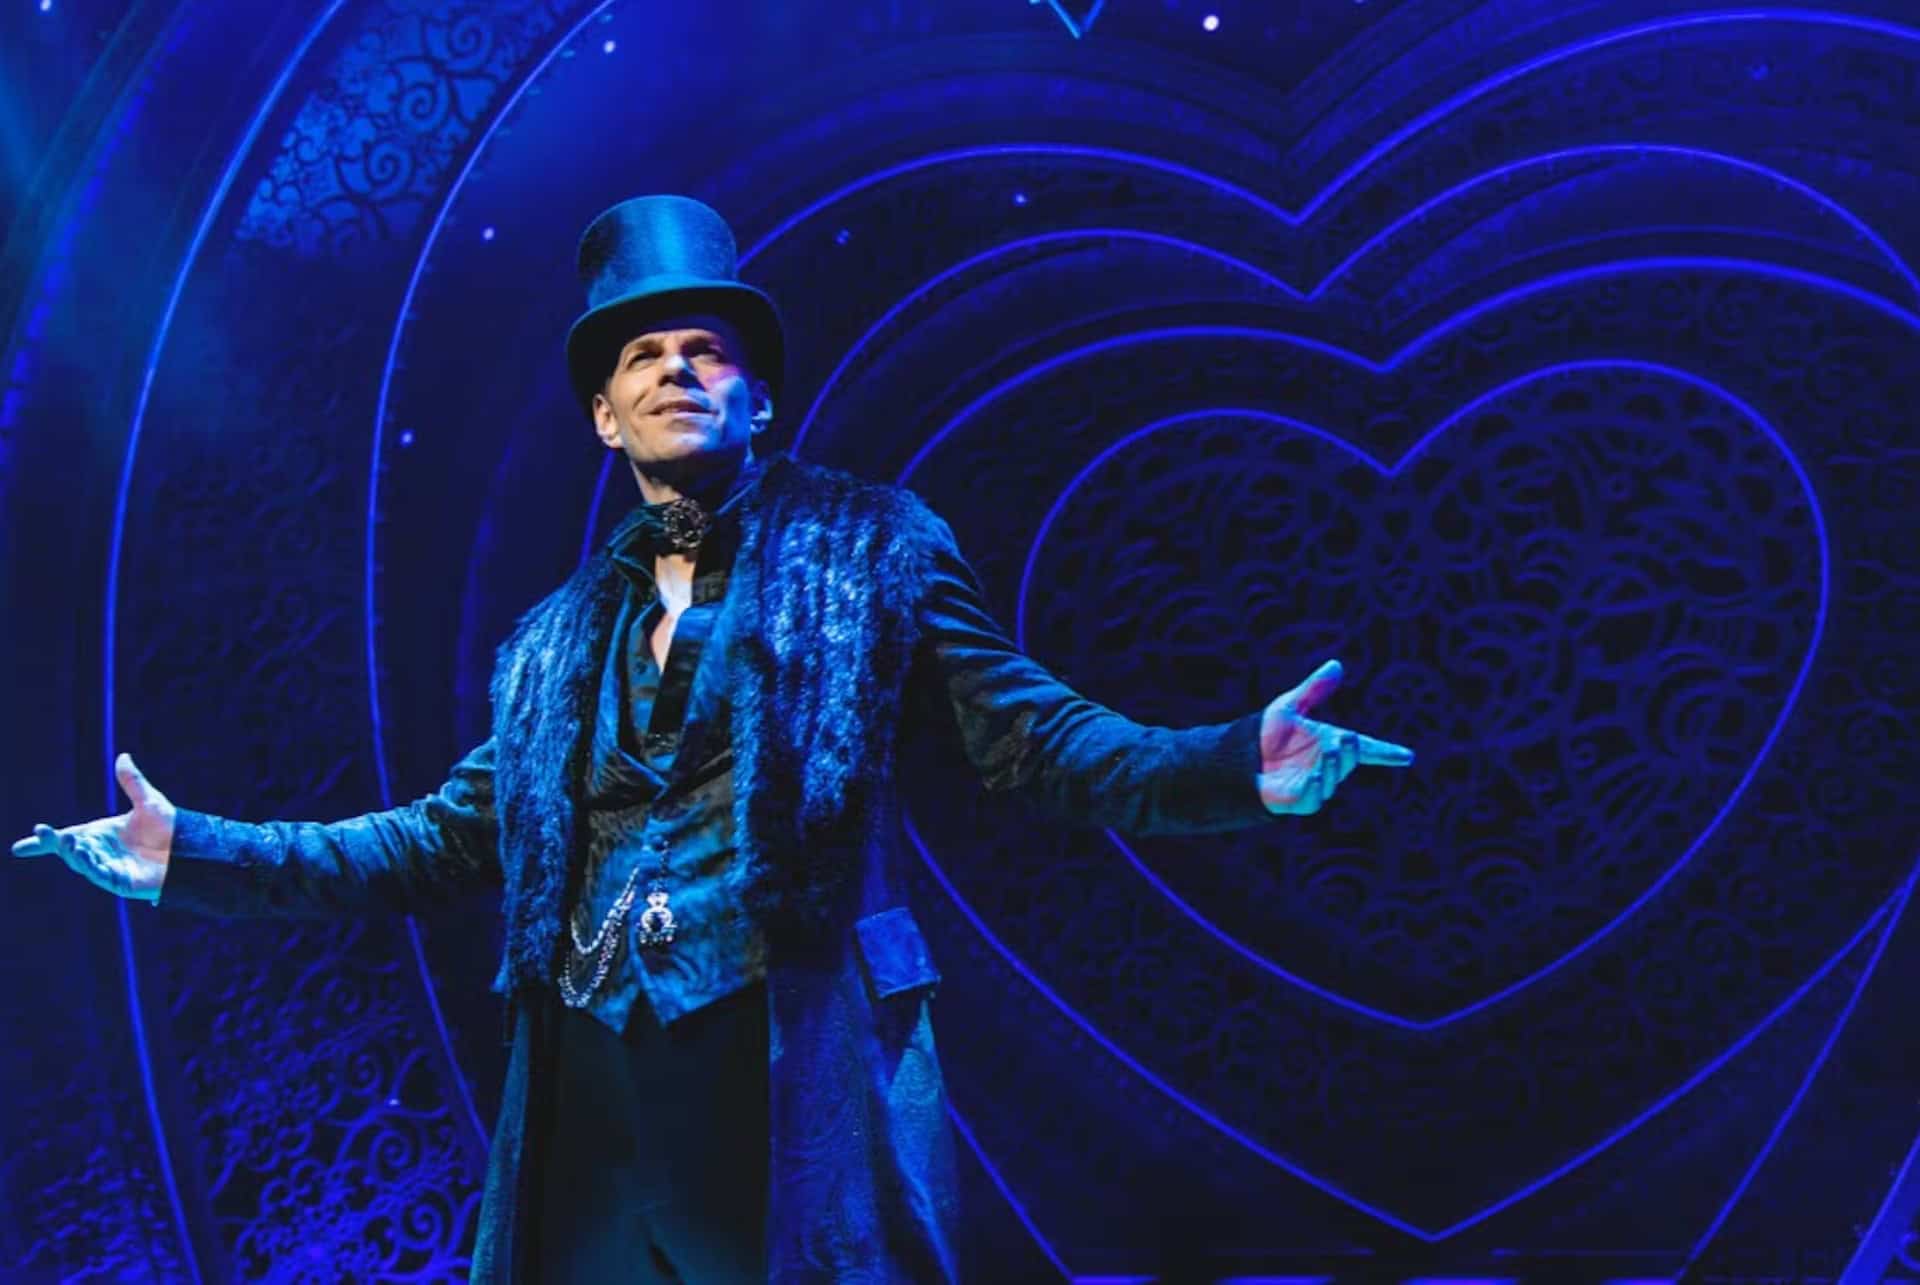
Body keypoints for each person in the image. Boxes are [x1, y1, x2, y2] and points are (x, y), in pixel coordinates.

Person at [12, 195, 1414, 1283]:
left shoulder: (872, 545)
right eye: (644, 354)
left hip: (789, 1061)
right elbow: (432, 841)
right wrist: (191, 852)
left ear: (760, 397)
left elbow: (1035, 739)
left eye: (708, 351)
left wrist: (1230, 761)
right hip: (591, 1082)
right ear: (603, 413)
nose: (677, 369)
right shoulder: (550, 643)